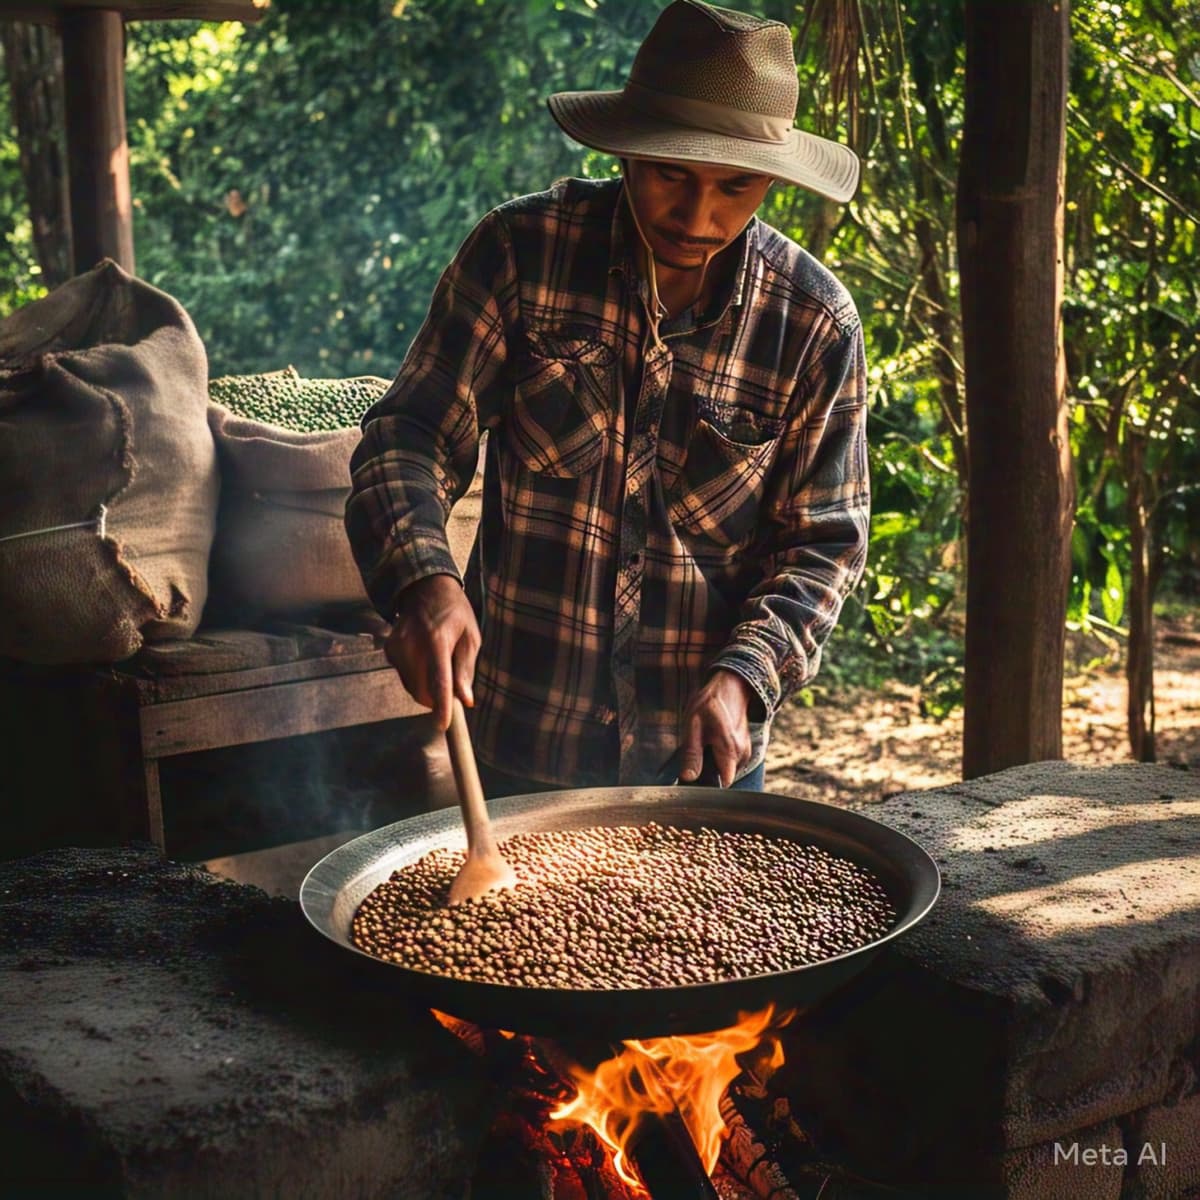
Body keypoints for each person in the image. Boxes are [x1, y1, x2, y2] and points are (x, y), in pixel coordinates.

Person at [346, 0, 868, 795]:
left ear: (771, 177)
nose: (699, 218)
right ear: (626, 153)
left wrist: (746, 674)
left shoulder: (812, 322)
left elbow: (823, 540)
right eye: (670, 175)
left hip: (702, 765)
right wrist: (426, 578)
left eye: (735, 187)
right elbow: (410, 434)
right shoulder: (524, 253)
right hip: (521, 742)